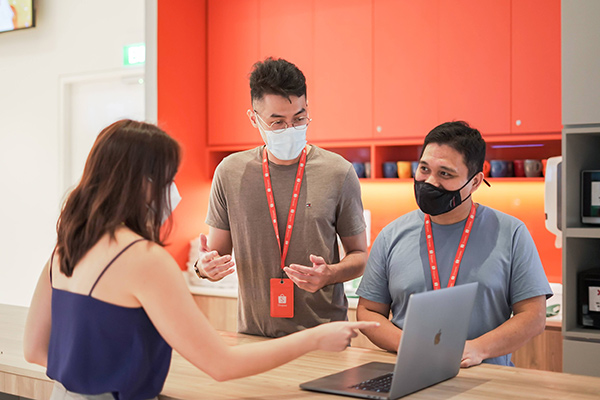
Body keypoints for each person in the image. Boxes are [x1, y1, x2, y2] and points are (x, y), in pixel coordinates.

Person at [23, 119, 377, 400]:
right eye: (168, 177)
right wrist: (316, 338)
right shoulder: (144, 259)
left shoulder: (67, 247)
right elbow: (221, 365)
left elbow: (35, 349)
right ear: (143, 183)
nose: (171, 189)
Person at [356, 121, 552, 367]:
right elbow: (368, 311)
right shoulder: (390, 235)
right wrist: (407, 343)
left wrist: (478, 349)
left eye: (445, 174)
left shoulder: (512, 233)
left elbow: (534, 317)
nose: (429, 182)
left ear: (475, 182)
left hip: (486, 380)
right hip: (410, 373)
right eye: (424, 169)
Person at [195, 57, 368, 337]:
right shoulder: (229, 173)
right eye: (277, 122)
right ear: (254, 118)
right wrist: (204, 268)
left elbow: (360, 255)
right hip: (255, 337)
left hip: (324, 337)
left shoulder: (339, 172)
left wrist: (330, 274)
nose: (291, 129)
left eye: (299, 119)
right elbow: (216, 256)